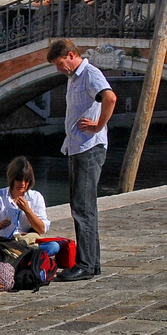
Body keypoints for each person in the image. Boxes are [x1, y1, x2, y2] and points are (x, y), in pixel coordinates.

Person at [47, 38, 116, 281]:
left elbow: (110, 98)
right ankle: (92, 263)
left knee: (82, 207)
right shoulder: (74, 78)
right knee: (84, 206)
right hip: (77, 147)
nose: (58, 69)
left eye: (59, 63)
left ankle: (85, 265)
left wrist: (98, 126)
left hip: (89, 147)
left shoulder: (89, 74)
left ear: (70, 54)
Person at [0, 156, 49, 240]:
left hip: (27, 238)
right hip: (5, 239)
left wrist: (27, 210)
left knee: (54, 246)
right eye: (19, 179)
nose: (22, 184)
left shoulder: (36, 197)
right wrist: (0, 229)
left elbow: (42, 229)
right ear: (12, 179)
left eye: (26, 180)